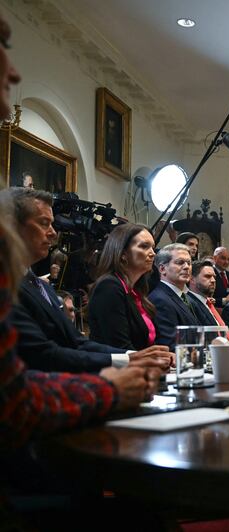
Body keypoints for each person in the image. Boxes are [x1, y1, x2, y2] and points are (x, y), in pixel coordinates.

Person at [0, 11, 158, 452]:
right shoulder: (19, 277)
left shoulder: (35, 280)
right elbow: (18, 396)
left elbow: (70, 342)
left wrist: (120, 368)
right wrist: (112, 383)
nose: (14, 71)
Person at [1, 187, 171, 373]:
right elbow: (44, 354)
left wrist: (132, 357)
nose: (53, 233)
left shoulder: (42, 286)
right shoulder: (8, 285)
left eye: (52, 224)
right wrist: (130, 361)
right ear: (10, 226)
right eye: (43, 223)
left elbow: (78, 342)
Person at [88, 224, 161, 352]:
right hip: (115, 370)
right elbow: (119, 347)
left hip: (139, 367)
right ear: (123, 253)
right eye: (144, 246)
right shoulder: (109, 287)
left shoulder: (136, 291)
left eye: (153, 248)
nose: (153, 253)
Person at [149, 243, 215, 350]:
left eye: (189, 263)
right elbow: (172, 346)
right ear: (162, 269)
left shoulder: (187, 297)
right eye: (180, 262)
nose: (186, 267)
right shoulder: (160, 299)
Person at [189, 260, 229, 340]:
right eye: (207, 276)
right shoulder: (189, 303)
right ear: (192, 279)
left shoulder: (208, 302)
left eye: (214, 277)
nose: (213, 280)